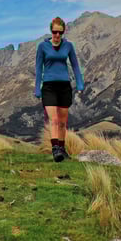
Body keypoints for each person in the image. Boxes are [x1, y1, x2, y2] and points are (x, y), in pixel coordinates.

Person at [34, 17, 84, 162]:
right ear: (51, 31)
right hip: (49, 87)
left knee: (62, 121)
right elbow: (38, 68)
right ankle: (55, 149)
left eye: (60, 32)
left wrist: (80, 84)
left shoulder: (68, 46)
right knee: (54, 119)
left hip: (64, 86)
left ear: (63, 32)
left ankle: (62, 149)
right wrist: (37, 88)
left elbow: (75, 65)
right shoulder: (42, 47)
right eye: (54, 32)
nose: (57, 35)